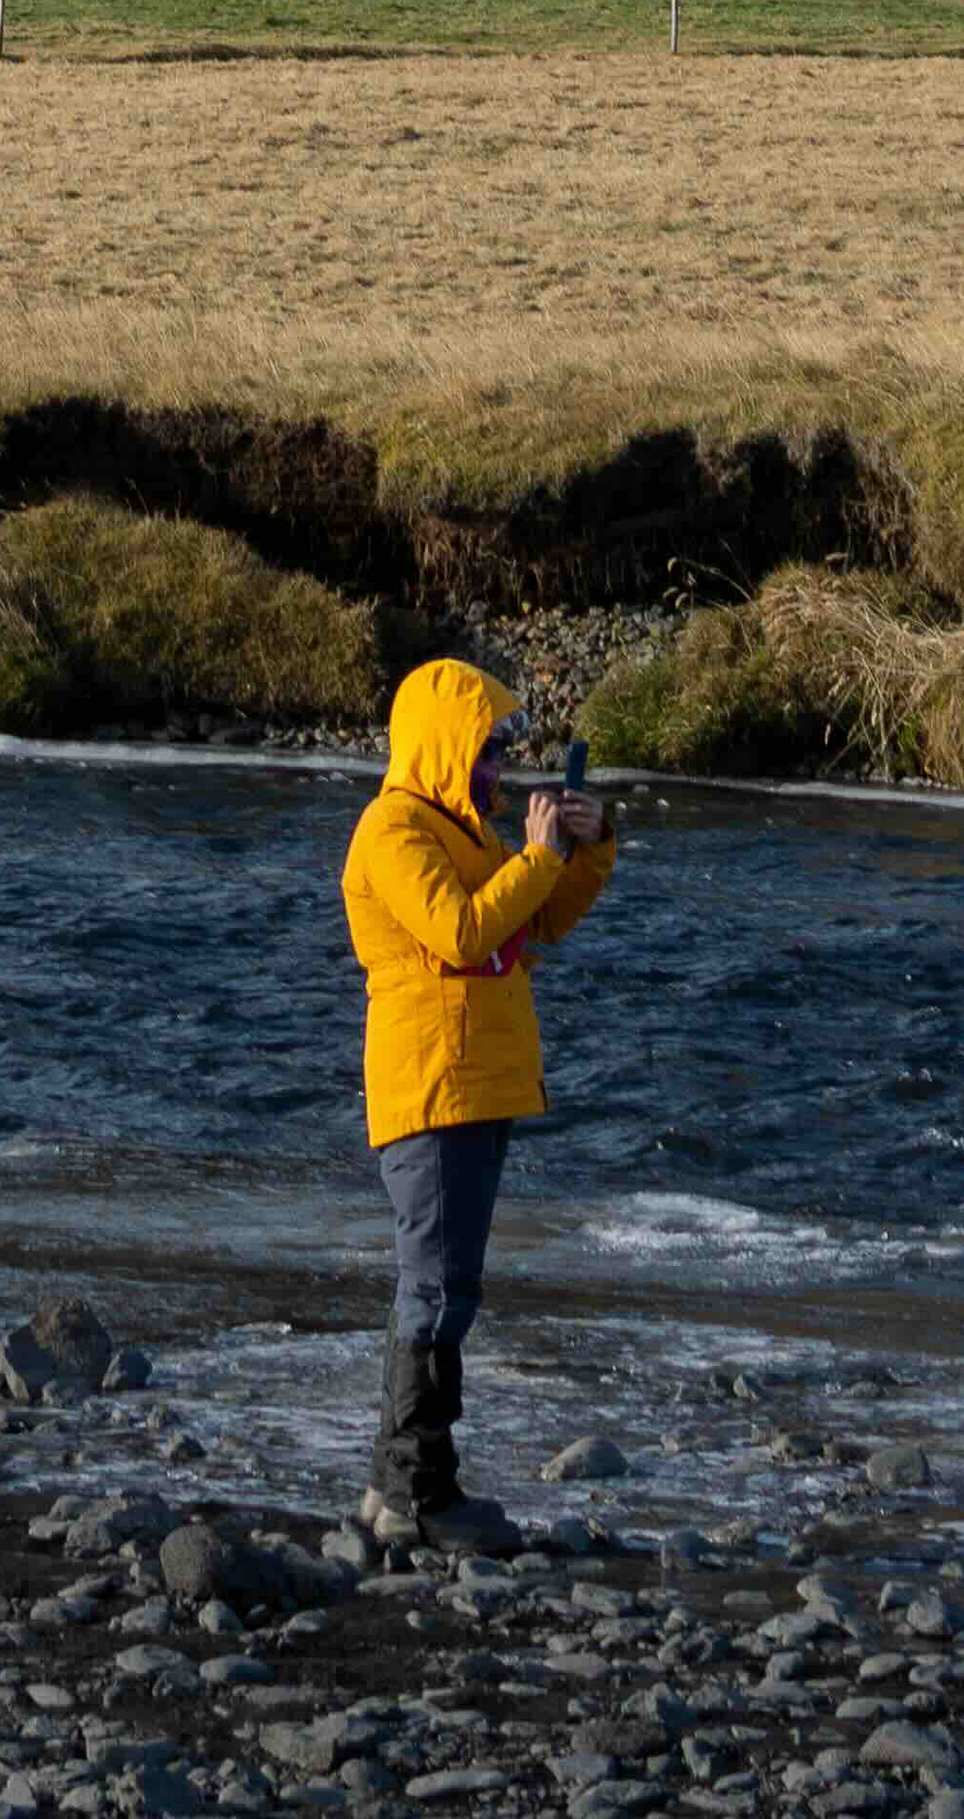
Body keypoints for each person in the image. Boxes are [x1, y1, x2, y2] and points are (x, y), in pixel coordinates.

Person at [340, 655, 617, 1548]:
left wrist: (585, 845)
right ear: (443, 743)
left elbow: (537, 922)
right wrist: (534, 857)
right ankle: (423, 1494)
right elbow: (461, 930)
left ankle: (394, 1491)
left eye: (499, 749)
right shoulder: (393, 830)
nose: (497, 765)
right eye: (485, 747)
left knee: (437, 1287)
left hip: (477, 1085)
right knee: (438, 1290)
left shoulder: (464, 832)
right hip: (432, 1087)